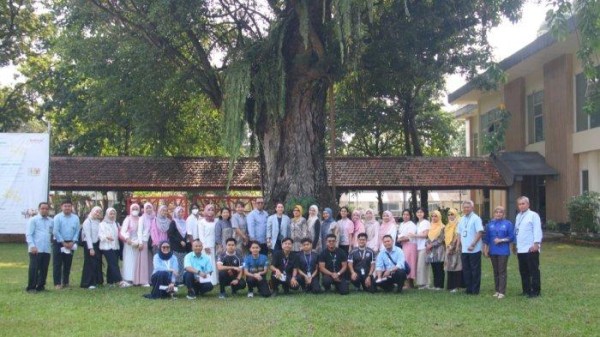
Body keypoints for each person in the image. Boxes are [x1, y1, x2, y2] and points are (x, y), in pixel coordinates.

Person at [513, 196, 543, 298]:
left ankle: (535, 291)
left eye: (523, 204)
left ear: (528, 204)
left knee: (533, 270)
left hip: (531, 248)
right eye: (519, 204)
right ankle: (526, 290)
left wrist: (536, 244)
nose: (521, 206)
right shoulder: (518, 216)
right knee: (523, 270)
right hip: (521, 248)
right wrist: (516, 245)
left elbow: (537, 230)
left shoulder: (533, 215)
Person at [483, 206, 514, 299]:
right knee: (495, 271)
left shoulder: (508, 224)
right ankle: (497, 290)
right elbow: (487, 238)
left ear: (504, 214)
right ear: (494, 214)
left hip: (503, 251)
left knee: (502, 271)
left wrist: (501, 240)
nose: (498, 214)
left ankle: (502, 291)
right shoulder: (490, 224)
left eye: (500, 212)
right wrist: (485, 249)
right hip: (493, 251)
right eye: (496, 212)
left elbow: (511, 237)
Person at [456, 200, 484, 295]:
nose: (466, 209)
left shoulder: (476, 218)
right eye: (464, 207)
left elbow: (480, 232)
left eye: (468, 207)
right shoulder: (462, 219)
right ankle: (469, 289)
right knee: (466, 270)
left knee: (475, 270)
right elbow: (459, 233)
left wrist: (473, 244)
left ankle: (475, 290)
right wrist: (457, 245)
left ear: (472, 208)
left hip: (474, 249)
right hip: (464, 249)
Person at [25, 202, 53, 293]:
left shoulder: (51, 221)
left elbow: (52, 233)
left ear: (48, 210)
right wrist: (32, 246)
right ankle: (31, 287)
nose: (44, 210)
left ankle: (41, 286)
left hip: (46, 249)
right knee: (34, 268)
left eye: (46, 209)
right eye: (42, 208)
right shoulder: (33, 220)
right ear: (39, 209)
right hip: (36, 248)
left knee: (44, 268)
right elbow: (29, 234)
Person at [99, 208, 130, 288]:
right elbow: (100, 235)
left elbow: (120, 233)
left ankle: (110, 281)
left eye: (113, 214)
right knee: (114, 264)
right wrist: (106, 237)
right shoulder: (102, 224)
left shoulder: (116, 223)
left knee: (111, 264)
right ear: (107, 214)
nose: (112, 215)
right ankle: (120, 281)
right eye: (110, 214)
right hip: (106, 247)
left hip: (115, 246)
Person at [52, 200, 80, 289]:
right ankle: (57, 283)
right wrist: (63, 242)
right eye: (65, 206)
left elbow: (77, 230)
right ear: (61, 207)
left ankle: (66, 282)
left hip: (71, 243)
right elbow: (55, 231)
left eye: (69, 206)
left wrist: (73, 241)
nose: (67, 208)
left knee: (68, 263)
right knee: (57, 263)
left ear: (71, 207)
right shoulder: (57, 217)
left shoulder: (75, 218)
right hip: (59, 242)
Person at [81, 206, 103, 289]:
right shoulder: (87, 221)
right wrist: (91, 248)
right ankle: (88, 283)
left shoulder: (98, 221)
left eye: (99, 212)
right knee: (90, 264)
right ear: (92, 211)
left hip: (97, 244)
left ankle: (96, 281)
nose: (97, 213)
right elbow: (88, 236)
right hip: (89, 245)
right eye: (96, 211)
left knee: (96, 264)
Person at [167, 206, 189, 284]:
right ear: (176, 213)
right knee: (176, 264)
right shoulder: (173, 222)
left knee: (182, 264)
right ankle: (175, 280)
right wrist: (180, 241)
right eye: (179, 212)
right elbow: (170, 234)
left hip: (183, 247)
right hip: (176, 246)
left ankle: (182, 280)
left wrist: (185, 241)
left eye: (182, 212)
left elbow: (186, 233)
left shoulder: (184, 222)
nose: (181, 213)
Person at [120, 203, 141, 285]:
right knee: (129, 260)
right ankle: (128, 278)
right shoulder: (128, 219)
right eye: (133, 209)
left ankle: (136, 278)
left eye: (136, 209)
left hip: (137, 242)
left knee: (136, 260)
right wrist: (127, 238)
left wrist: (139, 241)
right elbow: (123, 231)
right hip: (129, 242)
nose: (135, 210)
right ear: (130, 210)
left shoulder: (140, 219)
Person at [198, 204, 218, 285]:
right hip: (206, 246)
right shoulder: (201, 222)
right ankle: (207, 280)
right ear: (205, 211)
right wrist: (205, 246)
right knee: (207, 263)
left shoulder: (216, 220)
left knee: (214, 263)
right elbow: (201, 235)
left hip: (215, 245)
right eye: (208, 209)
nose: (210, 211)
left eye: (212, 209)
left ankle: (215, 280)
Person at [397, 209, 417, 288]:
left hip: (410, 245)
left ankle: (409, 283)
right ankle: (407, 283)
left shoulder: (411, 224)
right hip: (404, 246)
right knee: (404, 262)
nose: (405, 216)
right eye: (404, 214)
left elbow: (409, 237)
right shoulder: (402, 224)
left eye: (407, 215)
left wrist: (399, 239)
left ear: (410, 216)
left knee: (409, 263)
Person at [426, 210, 446, 290]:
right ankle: (435, 285)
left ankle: (440, 285)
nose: (434, 218)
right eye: (433, 216)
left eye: (436, 216)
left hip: (439, 250)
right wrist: (427, 244)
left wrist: (431, 245)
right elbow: (427, 237)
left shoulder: (442, 227)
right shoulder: (430, 226)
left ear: (439, 217)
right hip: (431, 250)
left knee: (439, 268)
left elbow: (441, 239)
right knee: (434, 267)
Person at [444, 208, 463, 293]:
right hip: (448, 248)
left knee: (456, 266)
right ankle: (450, 286)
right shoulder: (448, 225)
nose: (450, 216)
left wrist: (452, 246)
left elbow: (457, 236)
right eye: (449, 214)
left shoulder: (458, 224)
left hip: (456, 248)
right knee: (449, 266)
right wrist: (448, 247)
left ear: (456, 215)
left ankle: (456, 286)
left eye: (452, 214)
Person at [412, 207, 430, 289]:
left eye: (421, 212)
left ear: (424, 213)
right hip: (417, 246)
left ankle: (424, 283)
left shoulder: (426, 222)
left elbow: (425, 235)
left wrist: (414, 235)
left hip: (423, 246)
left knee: (422, 266)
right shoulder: (417, 223)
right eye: (418, 212)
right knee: (420, 265)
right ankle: (422, 283)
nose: (419, 213)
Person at [135, 202, 153, 287]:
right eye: (147, 208)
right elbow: (139, 231)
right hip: (144, 241)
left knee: (150, 261)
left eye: (150, 208)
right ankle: (143, 281)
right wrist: (140, 242)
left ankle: (150, 279)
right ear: (144, 209)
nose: (149, 209)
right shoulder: (142, 218)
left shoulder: (153, 217)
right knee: (144, 262)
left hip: (152, 241)